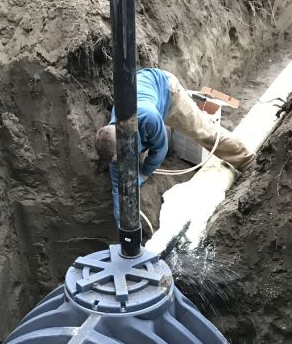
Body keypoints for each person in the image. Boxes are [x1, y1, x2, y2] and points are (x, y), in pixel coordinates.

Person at [95, 67, 255, 225]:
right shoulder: (115, 145)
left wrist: (143, 175)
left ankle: (247, 162)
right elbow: (117, 186)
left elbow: (159, 149)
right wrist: (120, 222)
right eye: (117, 162)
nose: (119, 163)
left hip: (168, 92)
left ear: (125, 141)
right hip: (150, 101)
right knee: (154, 134)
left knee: (205, 133)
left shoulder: (147, 116)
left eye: (121, 158)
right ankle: (165, 130)